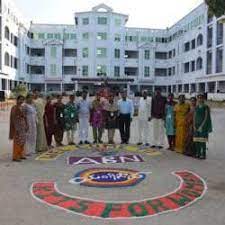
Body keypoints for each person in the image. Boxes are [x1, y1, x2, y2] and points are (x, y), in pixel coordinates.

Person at [9, 95, 28, 162]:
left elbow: (25, 117)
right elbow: (13, 118)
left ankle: (21, 154)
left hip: (23, 126)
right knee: (17, 142)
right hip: (17, 127)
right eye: (20, 99)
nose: (21, 101)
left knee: (22, 141)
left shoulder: (22, 107)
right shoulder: (14, 108)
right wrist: (16, 128)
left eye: (23, 100)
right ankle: (15, 156)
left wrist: (26, 125)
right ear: (17, 100)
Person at [193, 94, 212, 159]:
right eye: (198, 98)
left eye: (201, 98)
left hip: (203, 126)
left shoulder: (206, 107)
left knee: (202, 141)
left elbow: (206, 117)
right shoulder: (196, 107)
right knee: (196, 140)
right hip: (196, 125)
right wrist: (194, 125)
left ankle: (203, 154)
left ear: (203, 99)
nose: (200, 99)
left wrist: (202, 126)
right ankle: (198, 153)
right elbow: (194, 116)